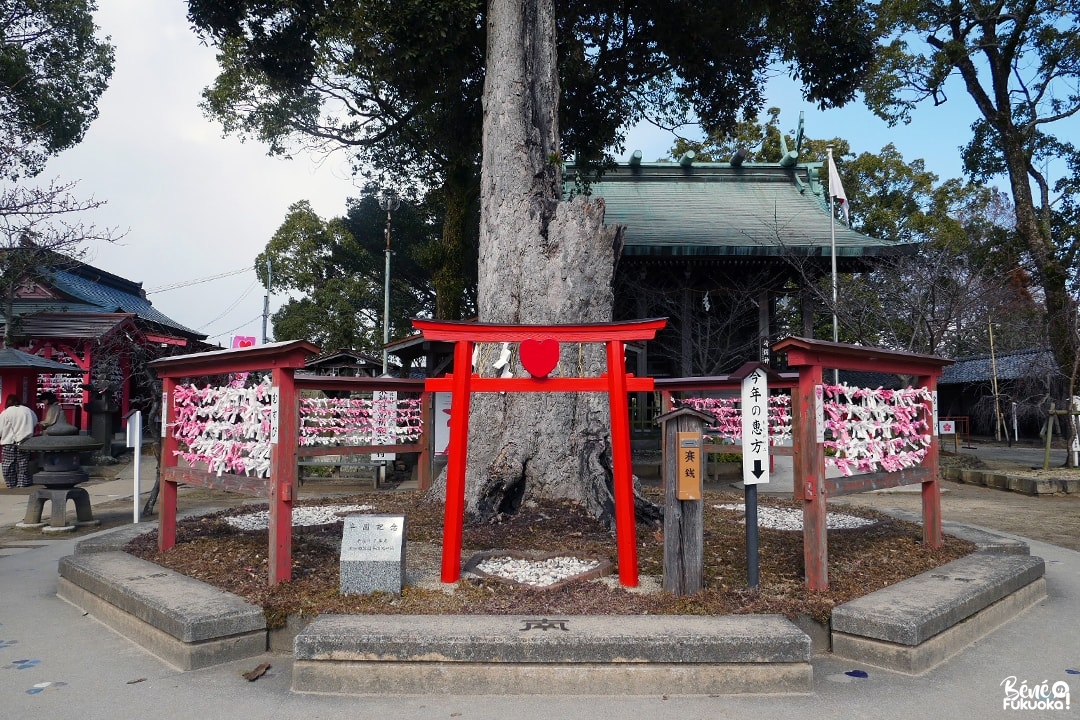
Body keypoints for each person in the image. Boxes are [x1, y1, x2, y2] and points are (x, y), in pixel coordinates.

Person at [1, 394, 38, 488]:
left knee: (8, 464)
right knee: (23, 464)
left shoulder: (5, 413)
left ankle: (11, 483)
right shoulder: (28, 410)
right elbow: (35, 422)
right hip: (25, 441)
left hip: (8, 441)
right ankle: (22, 483)